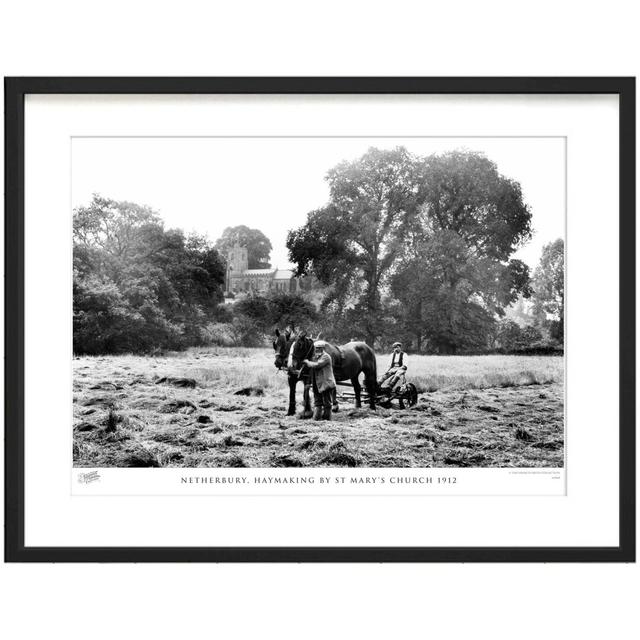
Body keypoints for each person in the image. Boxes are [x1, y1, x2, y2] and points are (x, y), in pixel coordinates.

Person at [303, 340, 336, 420]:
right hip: (318, 384)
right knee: (317, 401)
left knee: (327, 402)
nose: (317, 350)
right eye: (316, 348)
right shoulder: (316, 357)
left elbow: (317, 365)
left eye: (319, 348)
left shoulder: (326, 357)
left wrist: (307, 362)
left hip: (326, 383)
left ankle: (326, 419)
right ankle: (316, 418)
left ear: (322, 349)